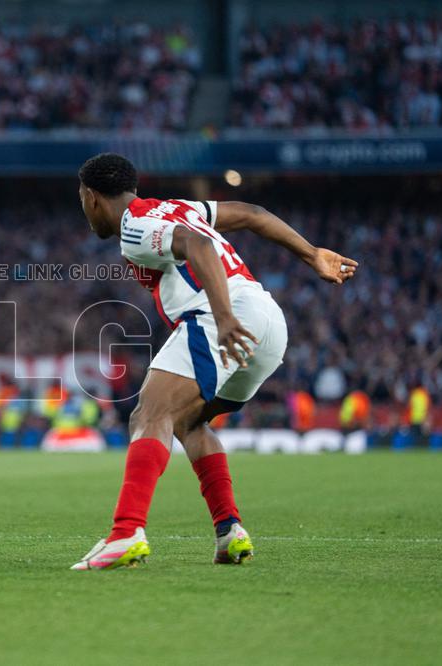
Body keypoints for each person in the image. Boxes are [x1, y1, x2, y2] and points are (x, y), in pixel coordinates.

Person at [70, 153, 358, 569]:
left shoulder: (134, 226)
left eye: (82, 200)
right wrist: (310, 253)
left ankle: (126, 532)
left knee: (149, 413)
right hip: (269, 323)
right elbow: (251, 214)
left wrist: (223, 317)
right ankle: (229, 530)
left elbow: (200, 244)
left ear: (92, 197)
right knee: (187, 422)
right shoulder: (178, 207)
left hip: (225, 315)